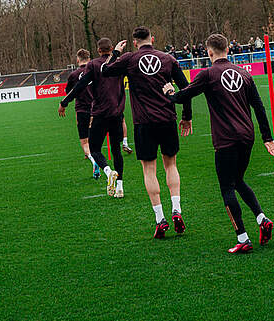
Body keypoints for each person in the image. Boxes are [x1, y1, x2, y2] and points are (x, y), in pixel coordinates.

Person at [166, 33, 274, 254]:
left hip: (226, 139)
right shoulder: (244, 74)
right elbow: (259, 107)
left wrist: (170, 93)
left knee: (227, 187)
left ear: (208, 52)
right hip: (247, 136)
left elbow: (184, 95)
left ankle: (243, 238)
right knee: (238, 180)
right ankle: (262, 219)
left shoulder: (208, 74)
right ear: (228, 49)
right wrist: (267, 137)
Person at [103, 27, 193, 238]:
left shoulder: (129, 59)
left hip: (144, 123)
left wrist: (115, 52)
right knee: (171, 165)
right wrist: (186, 116)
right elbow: (186, 88)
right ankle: (177, 210)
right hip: (167, 119)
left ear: (135, 42)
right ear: (153, 39)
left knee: (149, 170)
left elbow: (104, 71)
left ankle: (160, 219)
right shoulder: (168, 59)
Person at [60, 37, 128, 197]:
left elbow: (80, 85)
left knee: (95, 149)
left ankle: (108, 171)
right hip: (117, 114)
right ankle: (120, 188)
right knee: (116, 151)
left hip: (100, 114)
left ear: (98, 51)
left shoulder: (94, 65)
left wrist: (64, 102)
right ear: (111, 48)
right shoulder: (119, 63)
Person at [63, 49, 100, 178]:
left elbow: (68, 92)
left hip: (82, 110)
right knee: (94, 137)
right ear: (89, 59)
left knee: (84, 141)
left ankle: (92, 159)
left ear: (78, 59)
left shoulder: (74, 75)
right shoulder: (95, 71)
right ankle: (94, 155)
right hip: (97, 109)